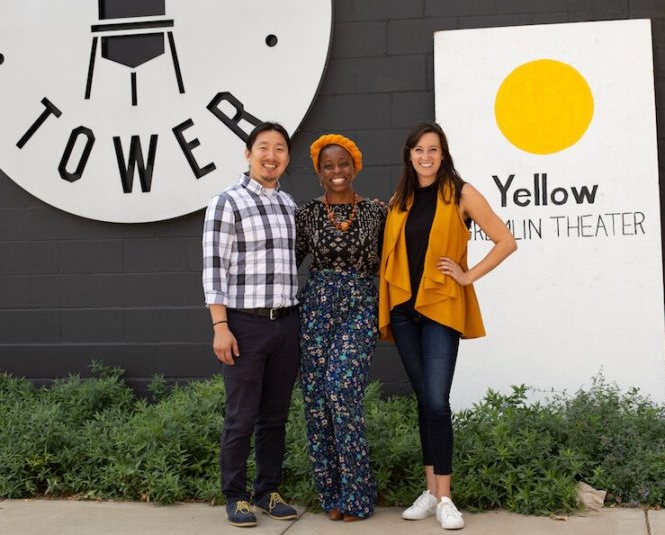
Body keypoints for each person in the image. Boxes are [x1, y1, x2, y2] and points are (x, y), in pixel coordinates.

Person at [378, 122, 517, 531]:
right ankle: (430, 491)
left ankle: (445, 497)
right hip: (405, 310)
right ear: (409, 154)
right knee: (424, 399)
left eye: (433, 150)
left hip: (440, 307)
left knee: (437, 400)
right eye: (419, 149)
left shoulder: (461, 193)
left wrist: (467, 275)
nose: (426, 156)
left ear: (444, 155)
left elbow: (505, 241)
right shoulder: (398, 200)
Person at [202, 122, 301, 528]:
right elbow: (213, 269)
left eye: (279, 148)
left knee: (275, 415)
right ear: (248, 153)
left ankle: (268, 491)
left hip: (286, 324)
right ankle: (235, 495)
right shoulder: (227, 202)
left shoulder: (290, 205)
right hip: (244, 325)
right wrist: (220, 326)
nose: (271, 155)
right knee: (241, 415)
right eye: (263, 147)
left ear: (287, 158)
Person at [295, 134, 387, 521]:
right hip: (316, 308)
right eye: (329, 166)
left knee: (341, 389)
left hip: (361, 306)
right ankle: (331, 494)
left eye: (343, 164)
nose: (337, 172)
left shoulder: (376, 212)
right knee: (317, 401)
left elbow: (393, 260)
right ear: (319, 171)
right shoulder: (307, 215)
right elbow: (287, 265)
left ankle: (358, 495)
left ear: (355, 167)